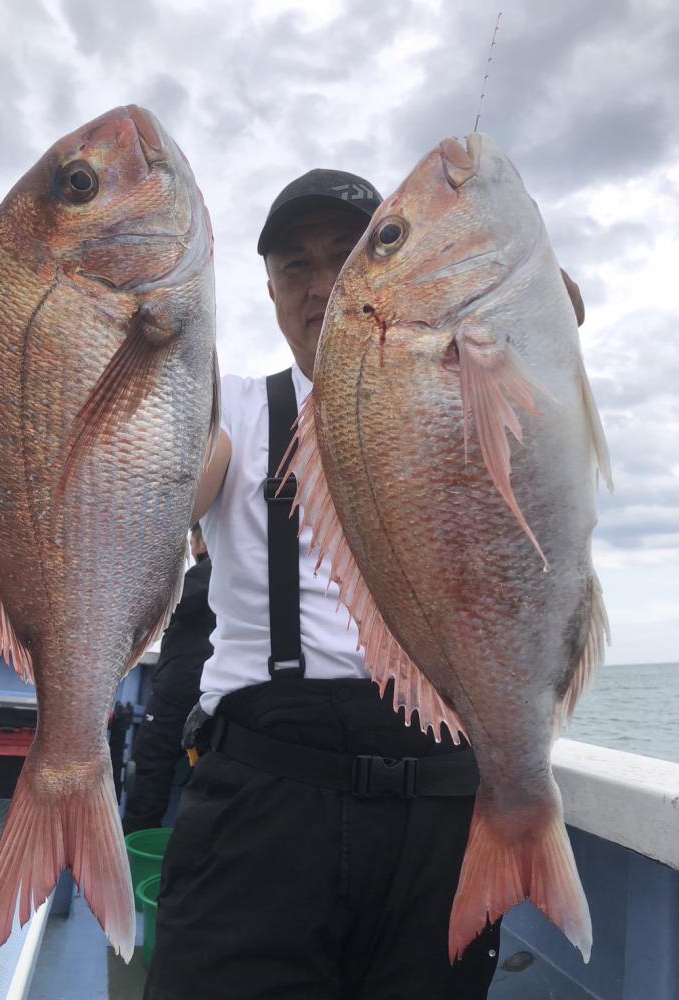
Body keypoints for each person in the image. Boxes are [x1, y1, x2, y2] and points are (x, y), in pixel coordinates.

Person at [144, 169, 585, 1000]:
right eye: (294, 268)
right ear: (269, 292)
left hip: (441, 797)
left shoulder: (474, 386)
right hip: (264, 805)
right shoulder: (234, 409)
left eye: (343, 258)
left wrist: (538, 330)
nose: (319, 286)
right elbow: (164, 484)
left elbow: (547, 483)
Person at [122, 524, 214, 835]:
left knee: (149, 773)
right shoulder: (236, 579)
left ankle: (137, 847)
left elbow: (159, 609)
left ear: (202, 542)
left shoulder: (204, 575)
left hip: (177, 698)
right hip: (213, 700)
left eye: (193, 539)